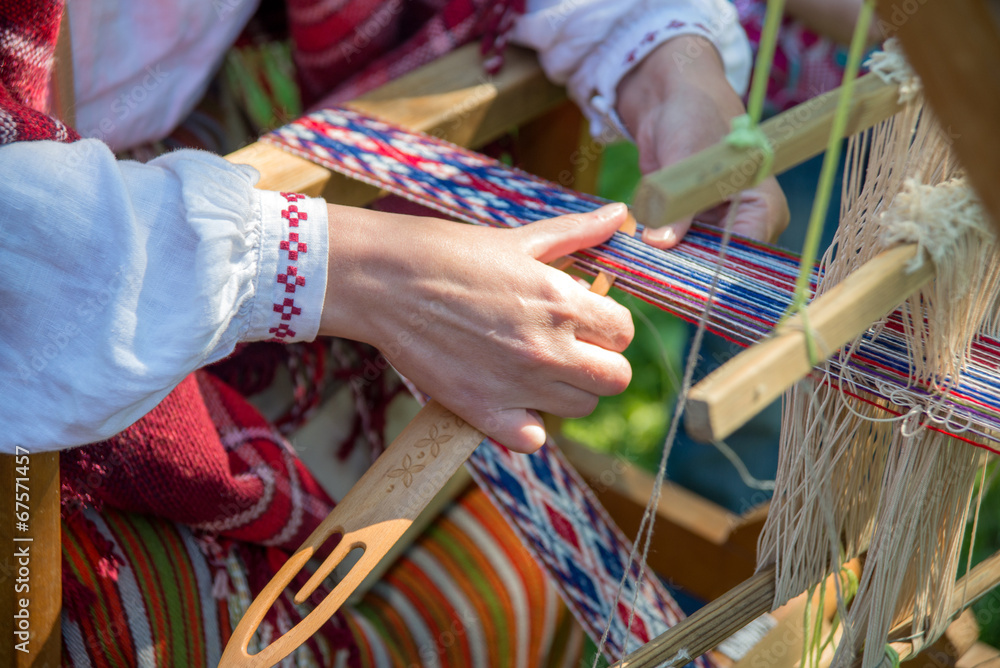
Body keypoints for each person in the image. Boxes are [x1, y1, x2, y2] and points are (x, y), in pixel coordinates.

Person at [0, 0, 790, 664]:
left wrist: (669, 66)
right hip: (71, 283)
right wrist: (350, 273)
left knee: (509, 562)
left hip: (218, 197)